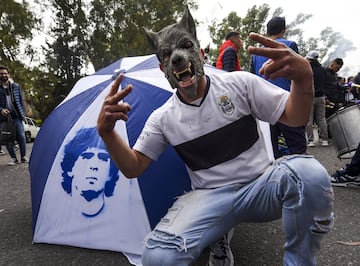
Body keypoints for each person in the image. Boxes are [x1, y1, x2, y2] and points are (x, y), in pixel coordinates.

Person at [97, 6, 334, 266]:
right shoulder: (163, 118)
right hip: (209, 197)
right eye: (167, 55)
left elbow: (295, 118)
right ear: (162, 67)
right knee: (158, 257)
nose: (177, 57)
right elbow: (133, 166)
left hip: (260, 186)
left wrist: (303, 80)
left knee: (308, 176)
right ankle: (218, 236)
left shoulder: (240, 84)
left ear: (199, 52)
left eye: (185, 46)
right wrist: (107, 133)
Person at [250, 16, 307, 158]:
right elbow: (298, 73)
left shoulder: (257, 53)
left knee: (271, 146)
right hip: (286, 102)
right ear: (284, 29)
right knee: (297, 145)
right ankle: (301, 174)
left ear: (267, 31)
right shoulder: (289, 46)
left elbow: (253, 76)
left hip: (264, 104)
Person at [61, 127, 119, 217]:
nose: (94, 166)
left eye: (103, 158)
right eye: (87, 157)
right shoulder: (56, 215)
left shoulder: (120, 217)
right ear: (70, 168)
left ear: (110, 174)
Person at [0, 65, 27, 165]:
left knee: (21, 135)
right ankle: (13, 158)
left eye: (5, 73)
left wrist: (22, 113)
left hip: (16, 116)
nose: (3, 75)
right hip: (4, 118)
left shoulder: (15, 86)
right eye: (1, 73)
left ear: (8, 74)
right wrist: (1, 110)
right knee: (7, 138)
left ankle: (23, 156)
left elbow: (21, 100)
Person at [305, 50, 329, 147]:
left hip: (309, 97)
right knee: (322, 119)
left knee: (309, 119)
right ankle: (324, 140)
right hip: (321, 97)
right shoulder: (323, 69)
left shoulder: (307, 68)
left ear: (310, 59)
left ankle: (310, 140)